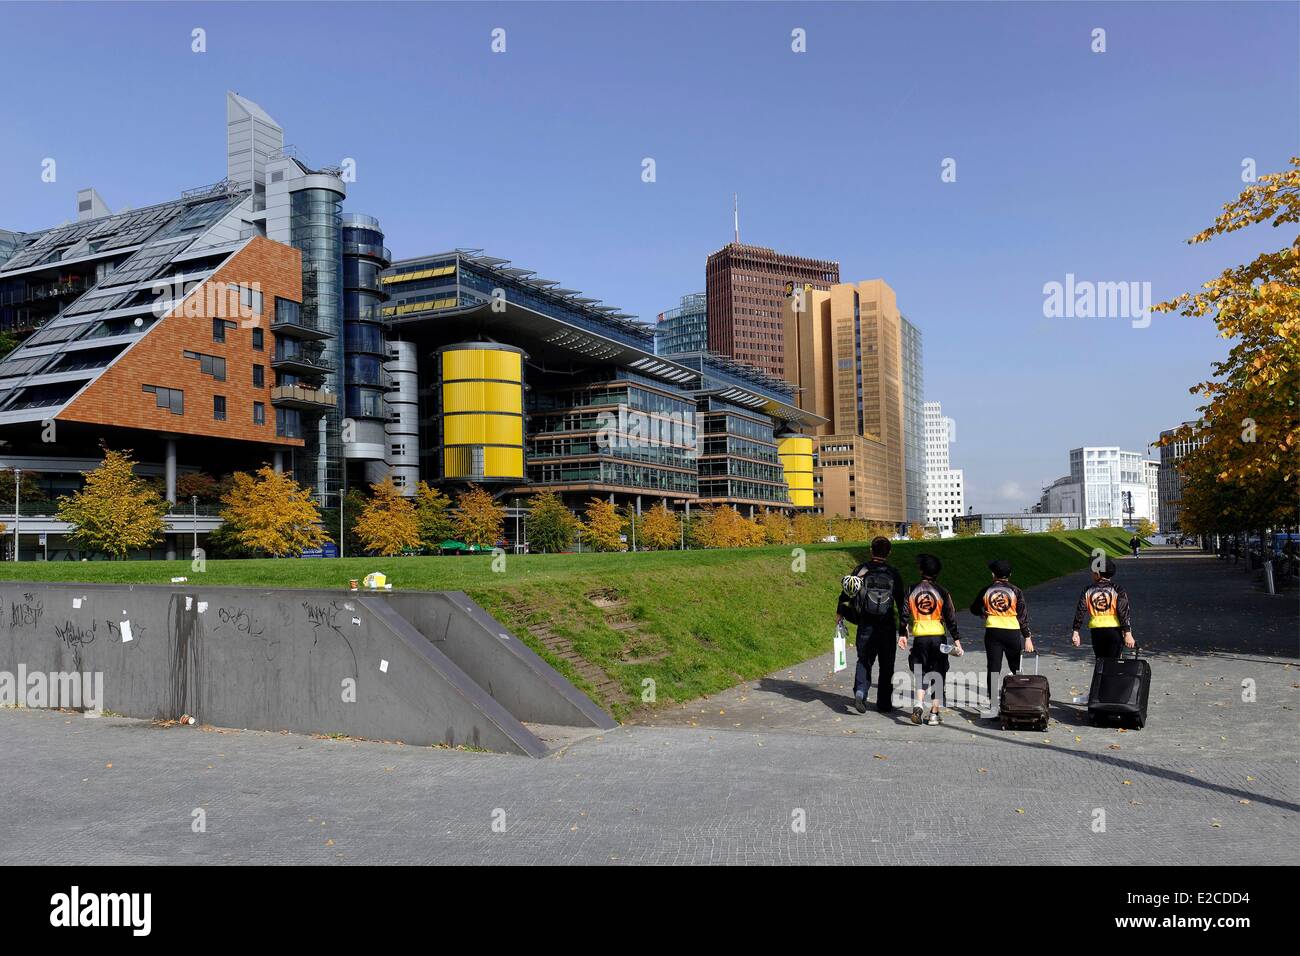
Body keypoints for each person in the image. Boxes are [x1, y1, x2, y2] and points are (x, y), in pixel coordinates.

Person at [835, 536, 907, 714]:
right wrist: (903, 629)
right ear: (889, 552)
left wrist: (839, 612)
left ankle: (860, 692)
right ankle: (884, 703)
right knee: (886, 664)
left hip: (866, 623)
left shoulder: (861, 570)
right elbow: (901, 602)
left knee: (864, 660)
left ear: (870, 550)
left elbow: (847, 591)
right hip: (887, 624)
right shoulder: (893, 573)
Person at [902, 553, 962, 725]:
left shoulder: (910, 590)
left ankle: (918, 705)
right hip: (938, 637)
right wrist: (957, 641)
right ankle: (934, 714)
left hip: (920, 637)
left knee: (920, 672)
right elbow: (951, 618)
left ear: (921, 571)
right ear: (938, 573)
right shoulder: (942, 591)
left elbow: (904, 614)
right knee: (938, 673)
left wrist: (902, 634)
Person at [969, 559, 1034, 716]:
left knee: (993, 668)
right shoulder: (1016, 591)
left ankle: (993, 708)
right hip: (1012, 632)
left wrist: (983, 613)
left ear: (993, 575)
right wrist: (1027, 637)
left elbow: (973, 608)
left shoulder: (987, 590)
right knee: (1016, 667)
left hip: (993, 632)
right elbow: (1022, 616)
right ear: (1010, 575)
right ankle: (1018, 702)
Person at [1071, 556, 1135, 660]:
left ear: (1097, 574)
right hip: (1114, 630)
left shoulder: (1088, 590)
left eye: (1092, 571)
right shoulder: (1118, 589)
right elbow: (1123, 612)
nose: (1091, 573)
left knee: (1100, 662)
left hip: (1096, 632)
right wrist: (1127, 633)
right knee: (1113, 663)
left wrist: (1076, 631)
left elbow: (1080, 610)